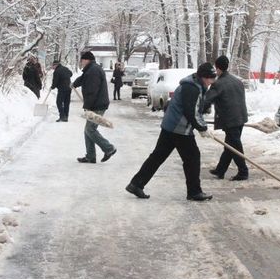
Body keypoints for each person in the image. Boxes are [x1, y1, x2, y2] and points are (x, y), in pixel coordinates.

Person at [125, 63, 217, 201]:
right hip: (179, 128)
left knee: (158, 156)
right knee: (192, 158)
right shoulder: (192, 88)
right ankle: (194, 192)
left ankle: (136, 184)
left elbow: (194, 110)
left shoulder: (194, 84)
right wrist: (202, 128)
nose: (211, 82)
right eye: (210, 78)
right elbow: (191, 111)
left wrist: (201, 125)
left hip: (171, 125)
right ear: (203, 77)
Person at [204, 55, 249, 181]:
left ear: (217, 68)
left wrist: (197, 111)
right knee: (230, 144)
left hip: (230, 120)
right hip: (240, 117)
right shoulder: (237, 81)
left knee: (234, 146)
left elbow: (206, 100)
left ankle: (243, 171)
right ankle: (220, 170)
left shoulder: (218, 84)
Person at [72, 51, 117, 164]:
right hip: (96, 103)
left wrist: (88, 106)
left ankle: (109, 148)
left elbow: (92, 90)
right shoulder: (91, 69)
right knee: (88, 130)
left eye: (82, 60)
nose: (81, 63)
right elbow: (83, 79)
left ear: (87, 60)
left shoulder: (93, 71)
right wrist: (74, 84)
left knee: (90, 129)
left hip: (97, 104)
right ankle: (90, 156)